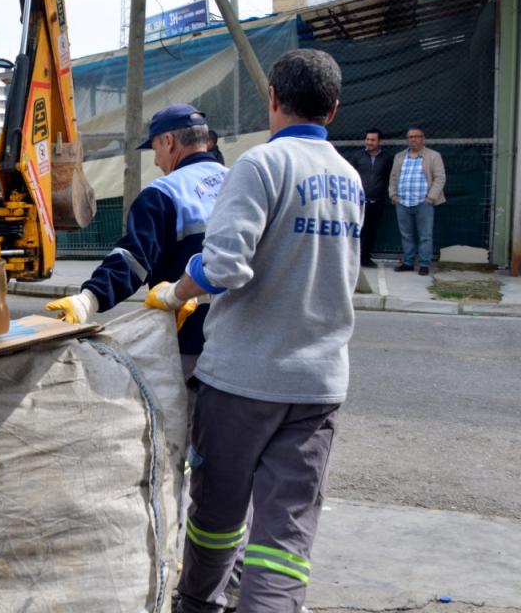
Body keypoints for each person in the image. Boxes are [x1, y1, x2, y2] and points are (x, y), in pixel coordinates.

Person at [149, 49, 362, 613]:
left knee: (217, 516)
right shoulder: (349, 176)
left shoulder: (260, 166)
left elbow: (223, 266)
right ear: (334, 110)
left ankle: (197, 605)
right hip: (317, 387)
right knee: (284, 541)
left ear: (272, 97)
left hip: (242, 380)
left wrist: (174, 292)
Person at [46, 103, 227, 379]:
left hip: (191, 345)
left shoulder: (164, 194)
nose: (156, 161)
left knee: (190, 418)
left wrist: (88, 299)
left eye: (155, 149)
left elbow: (132, 260)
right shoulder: (240, 181)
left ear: (169, 141)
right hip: (245, 338)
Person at [388, 127, 445, 275]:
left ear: (423, 139)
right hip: (403, 202)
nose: (413, 139)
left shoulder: (433, 156)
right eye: (410, 137)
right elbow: (393, 177)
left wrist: (430, 198)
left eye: (417, 136)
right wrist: (393, 195)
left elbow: (440, 177)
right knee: (406, 235)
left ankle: (424, 264)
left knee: (425, 235)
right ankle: (408, 262)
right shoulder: (399, 157)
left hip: (423, 203)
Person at [349, 128, 394, 268]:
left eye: (373, 140)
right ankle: (352, 259)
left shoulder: (387, 158)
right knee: (356, 231)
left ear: (379, 141)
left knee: (371, 231)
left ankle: (366, 258)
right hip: (358, 202)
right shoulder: (357, 157)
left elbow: (389, 178)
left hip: (376, 202)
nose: (369, 142)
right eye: (367, 139)